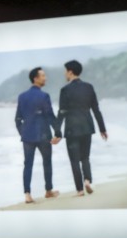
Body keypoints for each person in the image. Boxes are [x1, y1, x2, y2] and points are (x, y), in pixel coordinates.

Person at [55, 60, 107, 197]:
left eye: (66, 70)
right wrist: (102, 128)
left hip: (72, 129)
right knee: (85, 157)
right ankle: (87, 180)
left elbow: (62, 112)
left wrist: (57, 132)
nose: (65, 73)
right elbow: (96, 109)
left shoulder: (65, 90)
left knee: (74, 160)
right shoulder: (89, 87)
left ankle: (79, 190)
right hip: (87, 127)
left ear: (70, 71)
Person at [15, 67, 61, 204]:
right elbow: (50, 116)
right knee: (47, 162)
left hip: (27, 136)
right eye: (42, 76)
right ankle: (48, 190)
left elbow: (18, 119)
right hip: (43, 135)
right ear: (35, 78)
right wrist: (58, 132)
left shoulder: (22, 96)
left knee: (27, 164)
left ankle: (27, 194)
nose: (45, 78)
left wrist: (23, 132)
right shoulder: (44, 96)